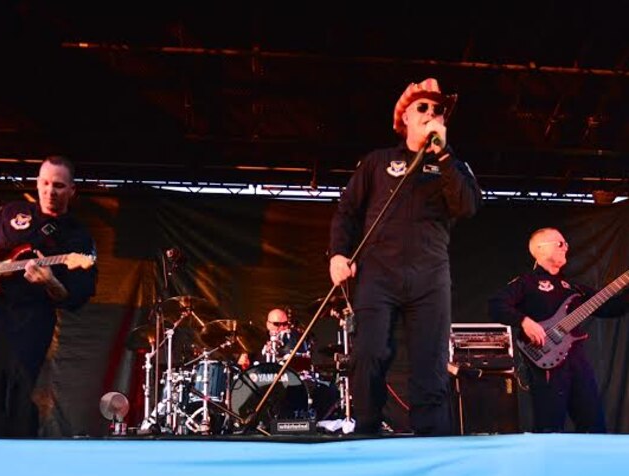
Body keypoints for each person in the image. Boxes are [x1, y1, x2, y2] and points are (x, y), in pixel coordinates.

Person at [328, 77, 482, 436]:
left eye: (437, 109)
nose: (431, 113)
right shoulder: (378, 162)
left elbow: (467, 206)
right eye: (422, 108)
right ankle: (367, 429)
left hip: (429, 274)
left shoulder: (453, 166)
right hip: (378, 273)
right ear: (405, 119)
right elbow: (347, 211)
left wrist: (443, 156)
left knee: (430, 358)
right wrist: (338, 254)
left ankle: (430, 438)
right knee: (369, 351)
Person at [0, 155, 97, 436]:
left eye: (59, 186)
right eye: (45, 183)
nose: (50, 191)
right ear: (37, 183)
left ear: (72, 190)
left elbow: (77, 297)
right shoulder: (9, 213)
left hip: (31, 322)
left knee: (17, 392)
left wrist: (50, 283)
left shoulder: (77, 237)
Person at [488, 227, 628, 433]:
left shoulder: (574, 287)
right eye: (560, 243)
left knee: (594, 425)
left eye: (566, 244)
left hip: (577, 362)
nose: (566, 248)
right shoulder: (526, 283)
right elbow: (496, 305)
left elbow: (610, 308)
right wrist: (525, 321)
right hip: (547, 364)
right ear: (540, 249)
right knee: (550, 427)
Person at [237, 307, 312, 371]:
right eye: (277, 324)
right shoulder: (257, 339)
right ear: (268, 324)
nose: (282, 327)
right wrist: (244, 360)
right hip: (261, 379)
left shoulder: (293, 338)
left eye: (285, 324)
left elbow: (302, 364)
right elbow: (245, 366)